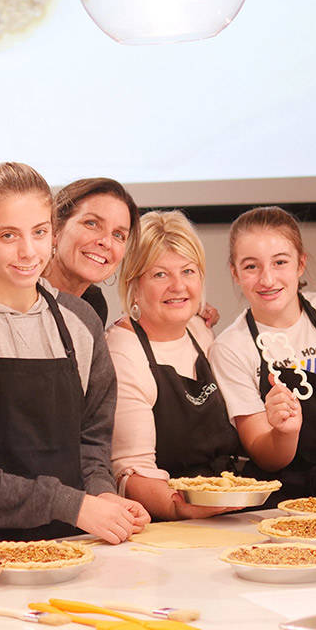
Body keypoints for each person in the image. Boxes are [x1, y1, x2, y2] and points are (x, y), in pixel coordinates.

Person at [0, 162, 150, 543]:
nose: (27, 251)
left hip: (81, 542)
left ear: (53, 233)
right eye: (8, 235)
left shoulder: (81, 321)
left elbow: (93, 444)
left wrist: (104, 498)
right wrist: (76, 505)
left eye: (39, 233)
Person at [209, 207, 316, 500]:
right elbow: (266, 455)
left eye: (280, 262)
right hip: (275, 498)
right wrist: (284, 432)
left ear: (300, 264)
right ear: (235, 273)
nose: (267, 279)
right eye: (251, 267)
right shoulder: (229, 347)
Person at [106, 211, 246, 520]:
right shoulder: (123, 351)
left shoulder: (200, 331)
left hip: (226, 507)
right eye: (160, 275)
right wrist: (180, 505)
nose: (178, 286)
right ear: (134, 284)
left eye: (188, 271)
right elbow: (131, 473)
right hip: (168, 524)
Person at [42, 178, 139, 325]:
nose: (106, 242)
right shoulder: (16, 295)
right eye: (91, 224)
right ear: (55, 228)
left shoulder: (93, 304)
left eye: (118, 235)